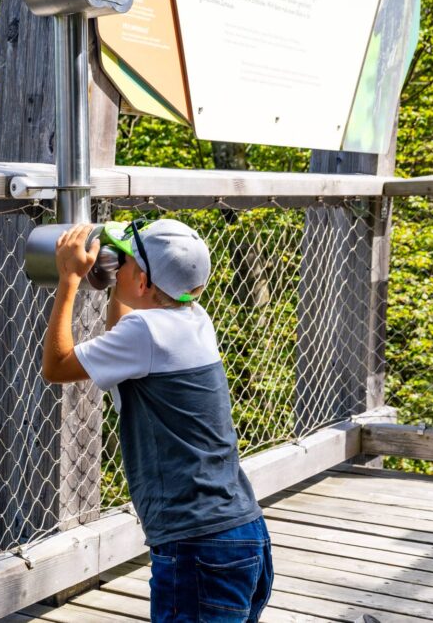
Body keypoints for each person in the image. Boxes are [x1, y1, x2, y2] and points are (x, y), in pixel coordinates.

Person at [43, 219, 272, 623]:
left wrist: (69, 280)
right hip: (244, 531)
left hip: (198, 545)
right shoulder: (195, 318)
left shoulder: (144, 332)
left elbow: (57, 367)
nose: (118, 265)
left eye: (125, 261)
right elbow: (122, 339)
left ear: (145, 281)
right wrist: (120, 282)